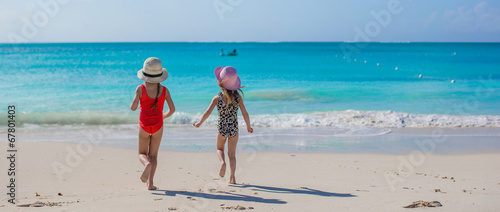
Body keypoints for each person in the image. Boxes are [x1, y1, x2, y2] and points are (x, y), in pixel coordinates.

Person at [193, 66, 253, 184]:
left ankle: (222, 163)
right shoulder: (238, 98)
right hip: (234, 128)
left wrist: (200, 122)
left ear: (220, 83)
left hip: (222, 128)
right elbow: (245, 113)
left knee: (219, 149)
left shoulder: (217, 98)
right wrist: (248, 126)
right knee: (232, 155)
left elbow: (207, 112)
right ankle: (232, 177)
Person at [130, 57, 175, 190]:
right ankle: (150, 183)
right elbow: (172, 110)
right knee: (154, 155)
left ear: (144, 74)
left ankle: (146, 165)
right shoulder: (165, 90)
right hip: (158, 126)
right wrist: (163, 116)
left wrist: (136, 97)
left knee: (142, 154)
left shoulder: (140, 89)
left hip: (144, 125)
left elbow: (133, 108)